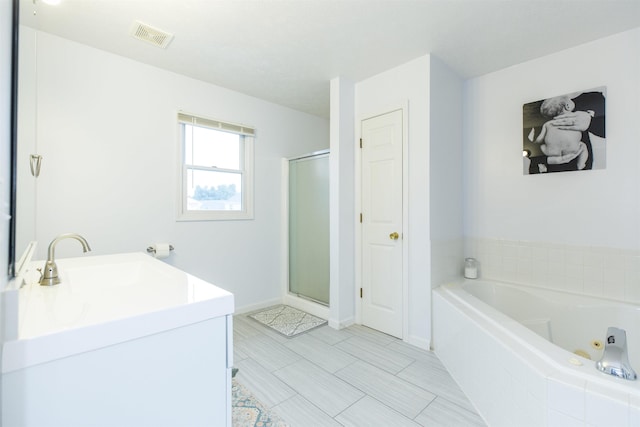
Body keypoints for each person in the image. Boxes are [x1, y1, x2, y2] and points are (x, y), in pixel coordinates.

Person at [534, 96, 588, 169]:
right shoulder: (575, 119)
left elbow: (539, 139)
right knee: (583, 146)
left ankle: (544, 166)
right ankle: (581, 164)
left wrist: (537, 141)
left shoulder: (547, 124)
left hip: (551, 152)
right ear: (567, 106)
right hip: (572, 149)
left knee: (542, 146)